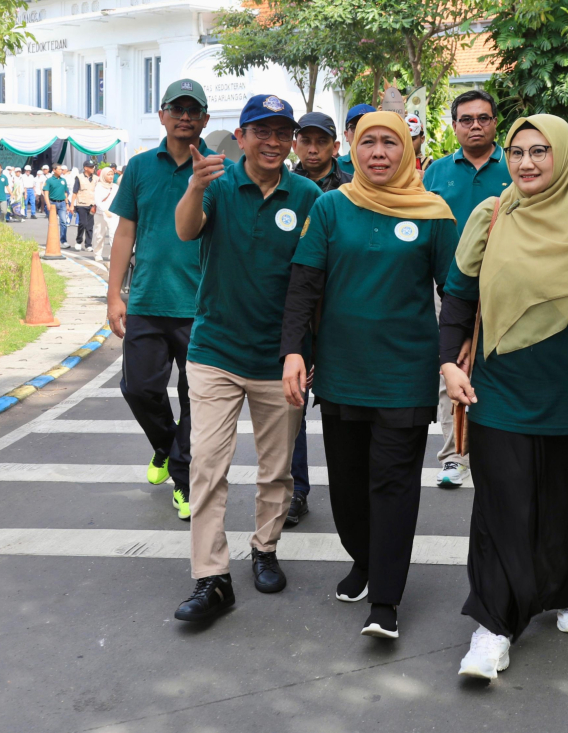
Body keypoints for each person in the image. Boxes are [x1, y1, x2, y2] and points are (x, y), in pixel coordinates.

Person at [440, 114, 568, 679]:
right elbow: (458, 295)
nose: (525, 163)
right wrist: (446, 362)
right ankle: (494, 624)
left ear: (564, 157)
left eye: (539, 152)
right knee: (502, 511)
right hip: (500, 393)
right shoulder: (491, 216)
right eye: (517, 151)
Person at [281, 110, 456, 639]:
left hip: (405, 374)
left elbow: (456, 293)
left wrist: (456, 358)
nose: (379, 153)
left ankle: (385, 598)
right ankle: (364, 558)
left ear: (406, 150)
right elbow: (305, 285)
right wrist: (293, 351)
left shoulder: (434, 214)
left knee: (393, 485)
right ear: (352, 148)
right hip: (341, 372)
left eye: (390, 143)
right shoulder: (331, 207)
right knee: (349, 489)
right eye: (369, 143)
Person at [172, 92, 320, 622]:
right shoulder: (215, 185)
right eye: (263, 131)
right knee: (207, 468)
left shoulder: (307, 196)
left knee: (276, 471)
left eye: (284, 133)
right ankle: (211, 578)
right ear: (242, 137)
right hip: (214, 352)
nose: (274, 142)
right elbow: (186, 229)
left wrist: (302, 352)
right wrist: (193, 186)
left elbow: (313, 281)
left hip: (279, 359)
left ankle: (265, 548)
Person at [108, 79, 225, 524]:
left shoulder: (219, 170)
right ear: (162, 115)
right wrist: (113, 294)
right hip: (146, 301)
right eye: (177, 109)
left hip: (201, 306)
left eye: (194, 111)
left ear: (205, 120)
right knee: (137, 388)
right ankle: (166, 445)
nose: (185, 117)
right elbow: (125, 232)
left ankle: (183, 479)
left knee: (196, 397)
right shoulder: (139, 167)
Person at [423, 89, 512, 489]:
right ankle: (455, 455)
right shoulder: (436, 173)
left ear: (495, 123)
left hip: (509, 288)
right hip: (451, 289)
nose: (475, 125)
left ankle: (499, 451)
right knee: (451, 370)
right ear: (454, 125)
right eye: (466, 119)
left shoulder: (516, 166)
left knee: (503, 366)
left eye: (483, 118)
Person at [283, 110, 353, 528]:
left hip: (339, 314)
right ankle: (296, 489)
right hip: (294, 309)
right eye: (305, 140)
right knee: (291, 405)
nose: (312, 148)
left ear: (334, 146)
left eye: (320, 141)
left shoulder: (352, 188)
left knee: (341, 408)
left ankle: (354, 489)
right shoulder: (284, 184)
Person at [337, 104, 376, 176]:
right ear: (346, 135)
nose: (361, 132)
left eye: (368, 127)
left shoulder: (388, 165)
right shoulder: (336, 167)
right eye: (354, 127)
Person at [92, 166, 118, 262]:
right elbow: (97, 200)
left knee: (113, 235)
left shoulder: (115, 187)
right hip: (101, 214)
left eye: (112, 174)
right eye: (108, 174)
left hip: (113, 214)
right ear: (103, 175)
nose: (111, 176)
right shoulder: (99, 186)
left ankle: (113, 254)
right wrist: (104, 210)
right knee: (99, 235)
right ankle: (97, 254)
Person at [72, 161, 97, 251]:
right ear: (85, 168)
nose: (93, 168)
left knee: (90, 225)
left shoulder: (96, 178)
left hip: (92, 204)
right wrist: (71, 205)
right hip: (81, 204)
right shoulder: (79, 177)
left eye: (93, 167)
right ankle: (79, 241)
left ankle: (88, 244)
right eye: (91, 167)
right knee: (82, 223)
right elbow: (75, 192)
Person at [43, 167, 70, 246]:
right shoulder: (49, 180)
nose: (61, 171)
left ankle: (63, 240)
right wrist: (48, 204)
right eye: (59, 169)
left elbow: (65, 192)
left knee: (64, 222)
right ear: (54, 170)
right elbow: (46, 193)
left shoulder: (63, 180)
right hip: (52, 203)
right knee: (53, 223)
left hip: (62, 203)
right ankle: (52, 240)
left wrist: (67, 203)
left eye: (62, 169)